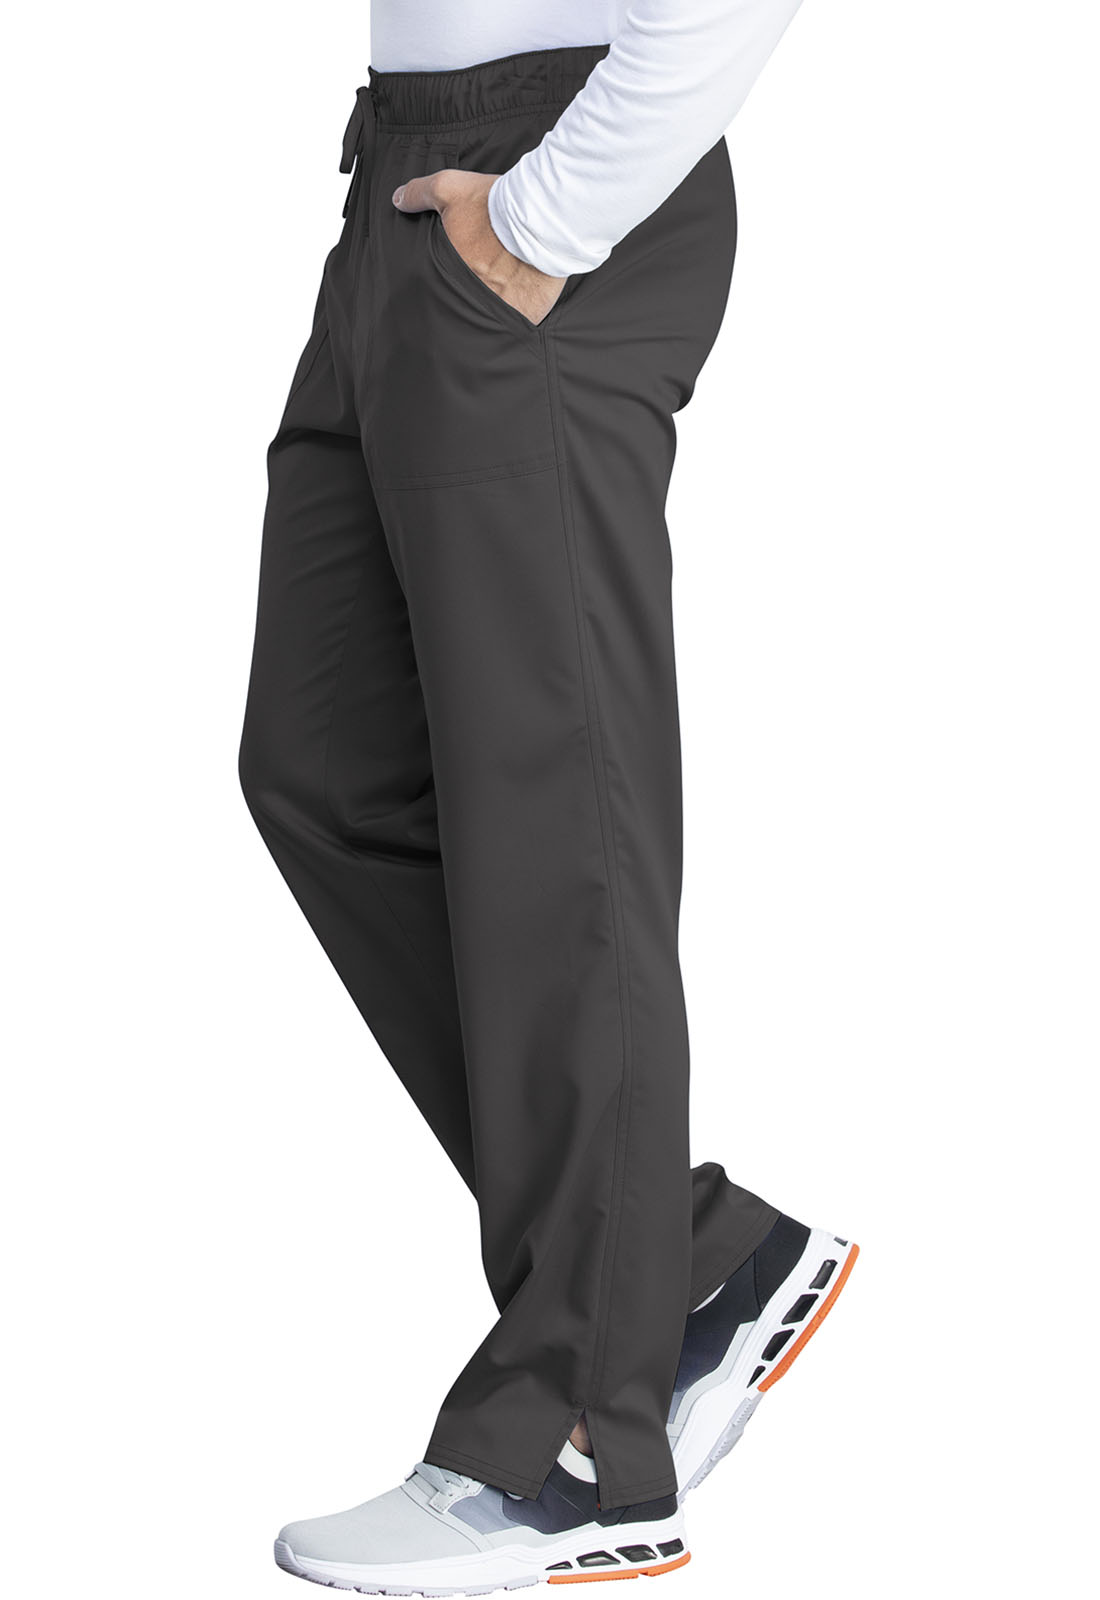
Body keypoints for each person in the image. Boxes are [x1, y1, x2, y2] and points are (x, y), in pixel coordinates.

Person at [239, 1, 858, 1590]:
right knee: (326, 765)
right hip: (407, 184)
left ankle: (581, 1445)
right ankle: (685, 1259)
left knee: (553, 827)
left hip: (543, 187)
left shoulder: (542, 214)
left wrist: (543, 219)